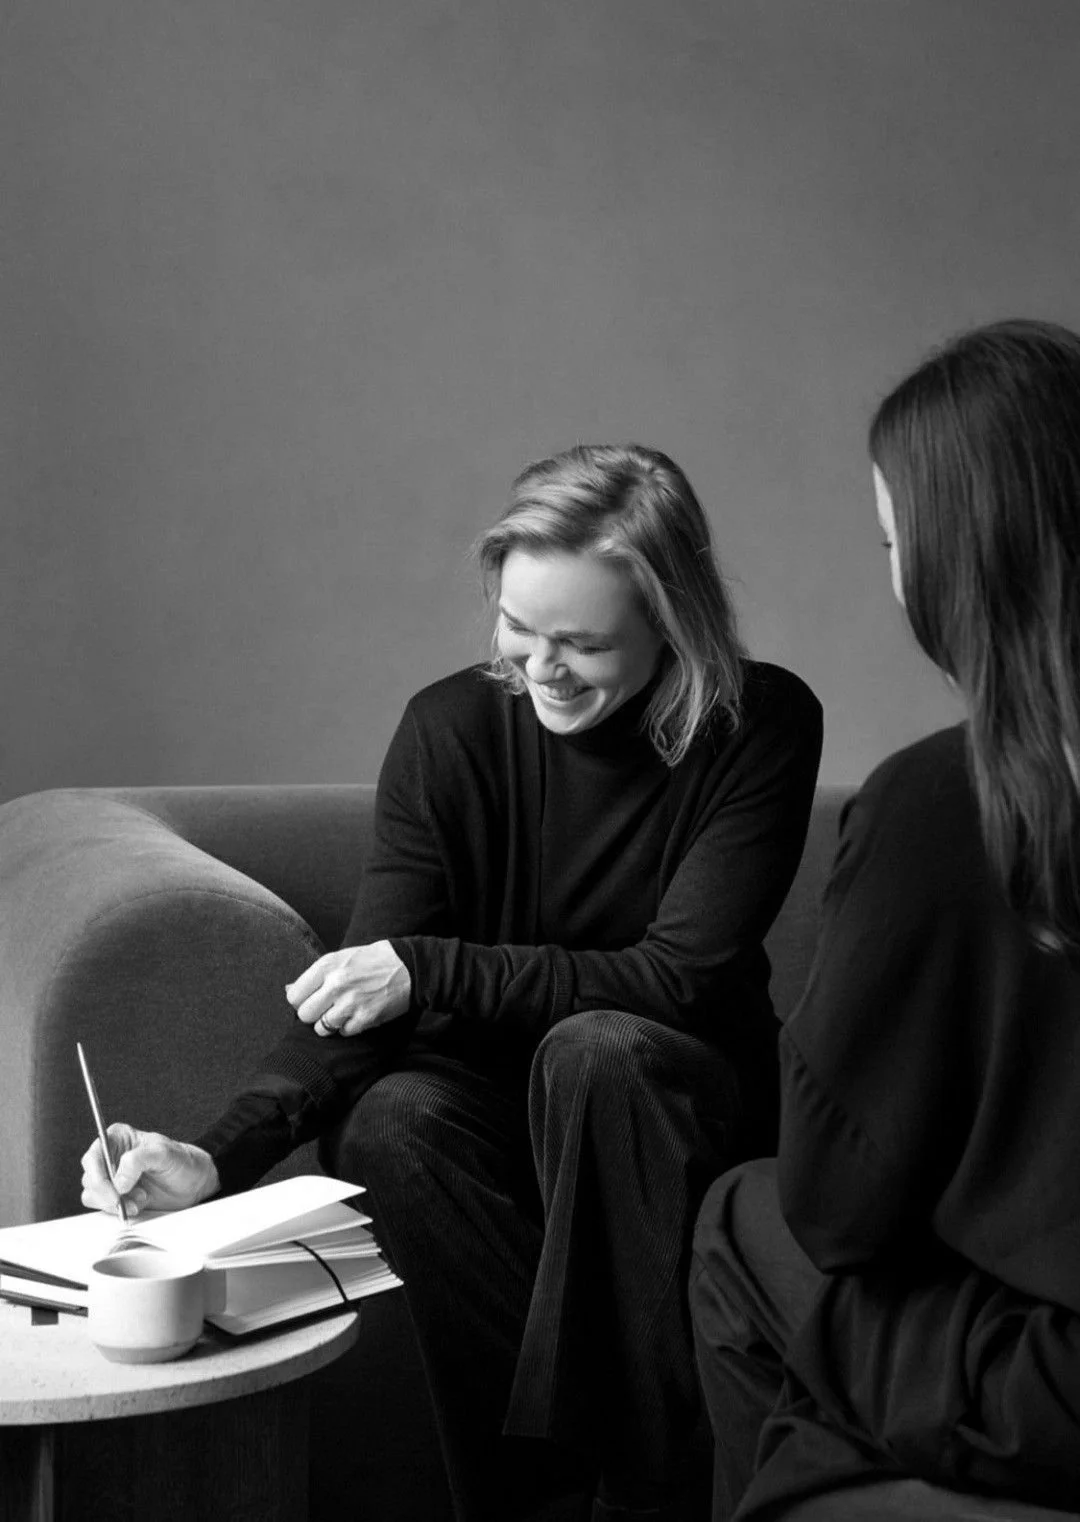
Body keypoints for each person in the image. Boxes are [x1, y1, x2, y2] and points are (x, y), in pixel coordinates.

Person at [82, 442, 823, 1522]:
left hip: (670, 1109)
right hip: (489, 1131)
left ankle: (642, 1500)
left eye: (583, 642)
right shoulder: (450, 727)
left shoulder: (758, 723)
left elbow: (678, 977)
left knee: (599, 1050)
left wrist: (429, 968)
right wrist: (217, 1152)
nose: (542, 669)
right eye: (520, 629)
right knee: (391, 1116)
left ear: (674, 627)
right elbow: (357, 995)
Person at [689, 319, 1080, 1521]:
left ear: (955, 558)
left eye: (894, 538)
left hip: (1053, 1387)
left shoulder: (940, 799)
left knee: (736, 1222)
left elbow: (837, 1208)